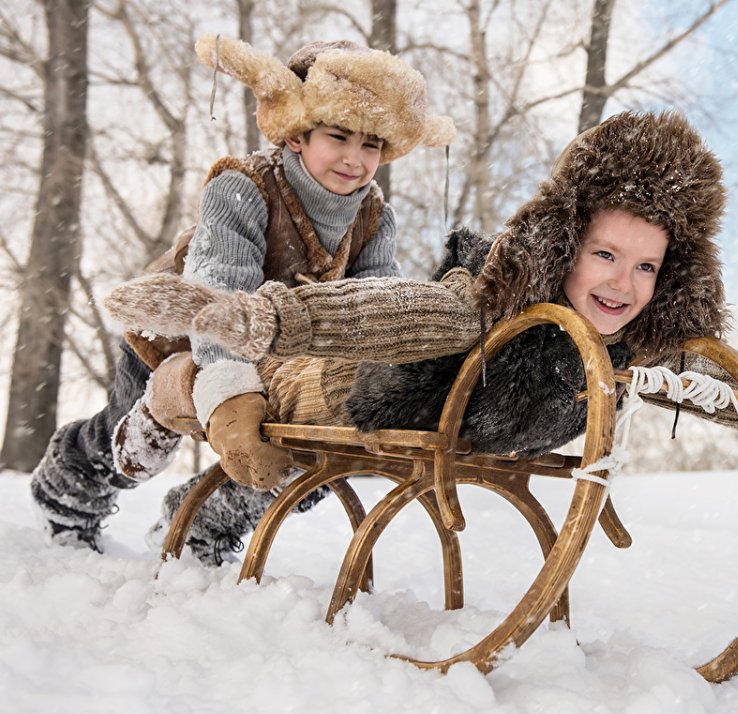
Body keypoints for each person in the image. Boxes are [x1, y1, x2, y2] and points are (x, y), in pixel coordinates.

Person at [105, 110, 738, 565]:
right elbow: (403, 312)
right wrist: (271, 318)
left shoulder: (630, 339)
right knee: (276, 440)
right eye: (605, 256)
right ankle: (165, 424)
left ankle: (195, 515)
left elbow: (702, 376)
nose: (622, 284)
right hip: (340, 373)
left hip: (417, 416)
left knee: (298, 480)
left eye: (646, 266)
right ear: (565, 248)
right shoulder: (501, 299)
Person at [30, 34, 454, 554]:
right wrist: (228, 391)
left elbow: (369, 306)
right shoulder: (243, 187)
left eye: (371, 145)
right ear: (297, 133)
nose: (355, 159)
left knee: (296, 452)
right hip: (181, 334)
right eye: (338, 136)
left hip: (277, 349)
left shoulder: (373, 217)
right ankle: (66, 494)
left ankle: (200, 523)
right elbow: (217, 291)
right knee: (132, 449)